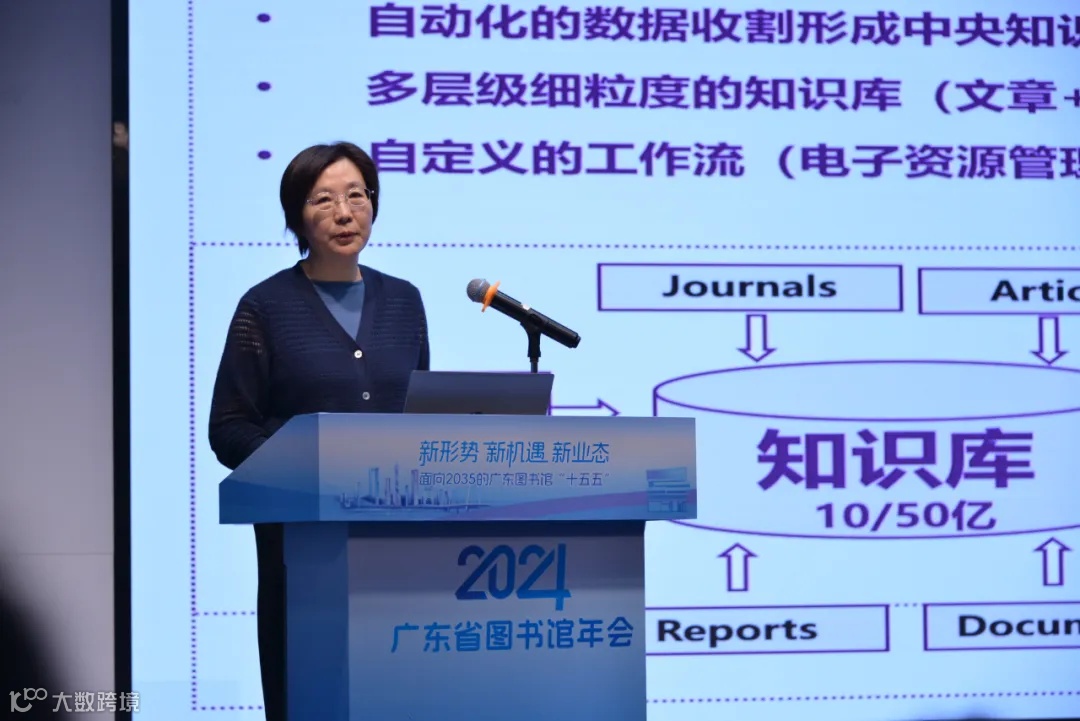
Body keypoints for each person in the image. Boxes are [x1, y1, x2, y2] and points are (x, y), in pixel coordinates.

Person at [207, 141, 430, 721]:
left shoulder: (405, 302)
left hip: (397, 544)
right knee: (308, 693)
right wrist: (305, 468)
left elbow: (423, 419)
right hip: (302, 547)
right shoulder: (264, 307)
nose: (344, 212)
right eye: (323, 200)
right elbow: (228, 427)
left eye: (357, 195)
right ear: (296, 216)